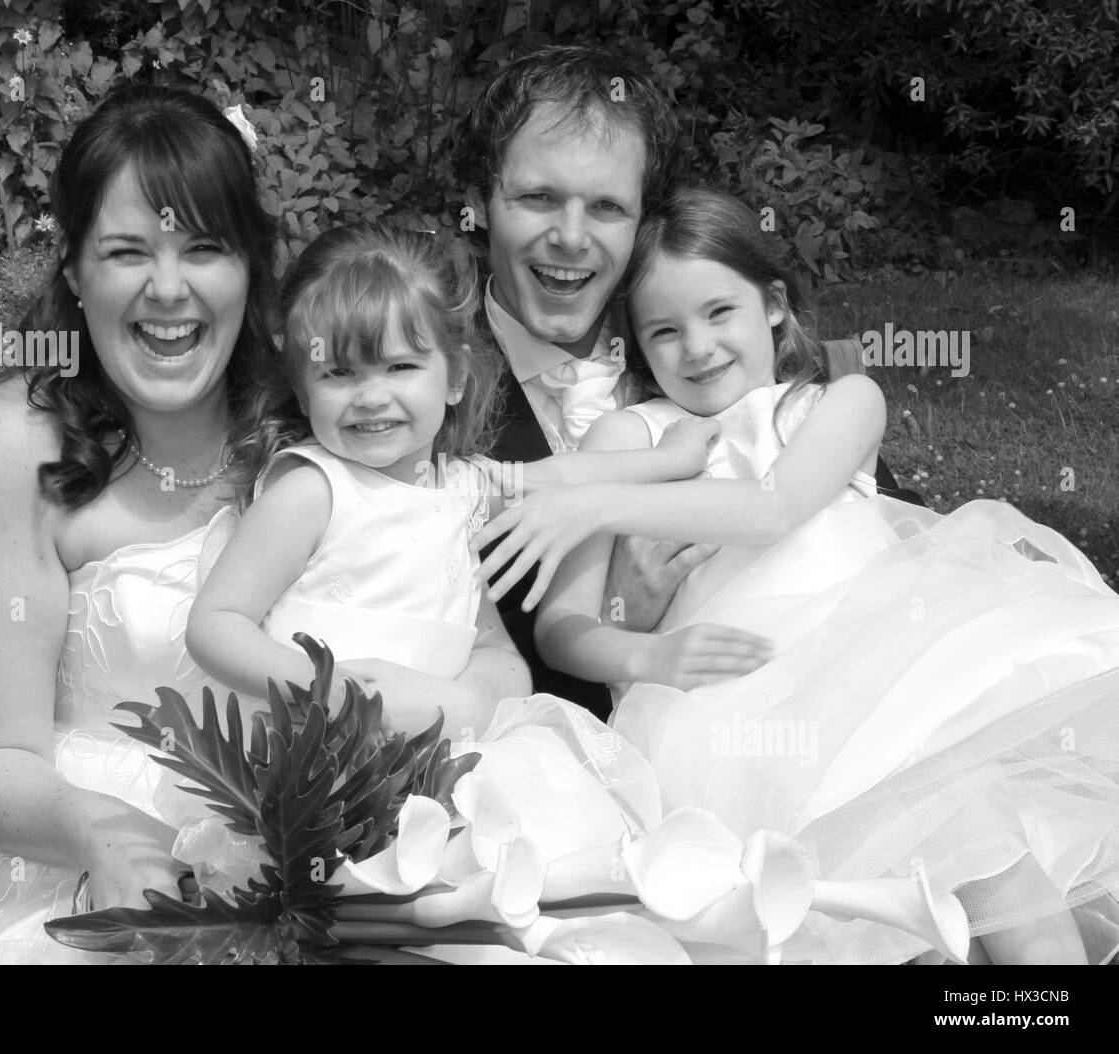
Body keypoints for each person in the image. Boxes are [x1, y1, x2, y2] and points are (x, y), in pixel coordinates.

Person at [0, 86, 528, 964]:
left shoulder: (326, 417)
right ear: (75, 272)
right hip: (103, 881)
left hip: (345, 876)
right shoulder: (16, 444)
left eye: (204, 248)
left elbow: (480, 641)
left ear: (250, 266)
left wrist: (448, 715)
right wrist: (97, 832)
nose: (169, 289)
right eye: (127, 252)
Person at [474, 187, 1119, 964]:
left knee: (1006, 888)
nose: (699, 348)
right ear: (637, 347)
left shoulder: (838, 403)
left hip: (890, 687)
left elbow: (773, 509)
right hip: (736, 732)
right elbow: (565, 632)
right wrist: (640, 652)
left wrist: (581, 496)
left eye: (720, 313)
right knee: (908, 939)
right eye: (665, 331)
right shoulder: (628, 434)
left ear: (773, 305)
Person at [451, 44, 919, 719]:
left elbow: (874, 518)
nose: (572, 238)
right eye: (538, 198)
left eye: (608, 207)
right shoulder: (422, 398)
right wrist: (628, 614)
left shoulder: (711, 358)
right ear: (480, 203)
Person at [186, 223, 718, 737]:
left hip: (437, 762)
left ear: (456, 378)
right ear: (304, 393)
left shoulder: (460, 491)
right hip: (313, 765)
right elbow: (216, 623)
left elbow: (563, 476)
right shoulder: (312, 491)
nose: (371, 396)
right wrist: (325, 687)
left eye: (399, 367)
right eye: (339, 373)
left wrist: (667, 460)